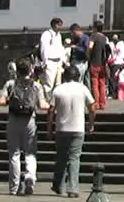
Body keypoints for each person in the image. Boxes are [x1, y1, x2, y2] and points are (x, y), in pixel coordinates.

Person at [0, 58, 49, 195]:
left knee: (14, 154)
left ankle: (14, 187)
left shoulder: (10, 84)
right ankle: (30, 176)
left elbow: (1, 102)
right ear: (30, 70)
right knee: (30, 152)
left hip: (13, 120)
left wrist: (9, 100)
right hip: (29, 121)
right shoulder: (36, 86)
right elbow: (43, 105)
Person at [47, 65, 95, 197]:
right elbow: (92, 107)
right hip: (78, 128)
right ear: (78, 76)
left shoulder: (58, 89)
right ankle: (73, 188)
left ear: (65, 76)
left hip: (61, 128)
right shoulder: (83, 89)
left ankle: (59, 185)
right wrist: (91, 124)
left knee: (61, 157)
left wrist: (49, 128)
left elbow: (51, 110)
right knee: (74, 158)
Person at [86, 20, 111, 110]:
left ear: (95, 28)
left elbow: (90, 47)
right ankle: (102, 103)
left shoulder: (94, 36)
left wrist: (87, 55)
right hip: (103, 64)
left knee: (95, 84)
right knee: (102, 83)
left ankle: (96, 103)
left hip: (95, 63)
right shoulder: (104, 38)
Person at [39, 18, 66, 91]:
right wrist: (45, 62)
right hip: (50, 62)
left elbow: (60, 48)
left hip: (58, 62)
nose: (60, 27)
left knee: (58, 84)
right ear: (54, 25)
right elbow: (44, 49)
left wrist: (63, 60)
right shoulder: (47, 34)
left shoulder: (59, 35)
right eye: (59, 25)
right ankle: (47, 100)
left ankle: (56, 101)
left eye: (61, 25)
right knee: (49, 85)